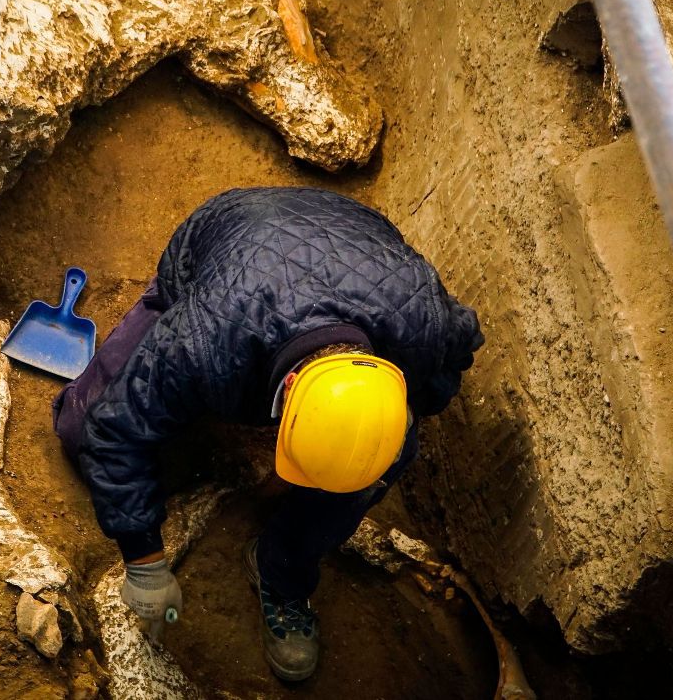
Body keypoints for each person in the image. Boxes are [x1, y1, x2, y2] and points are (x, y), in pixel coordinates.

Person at [51, 187, 483, 682]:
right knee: (81, 428)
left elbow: (461, 343)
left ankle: (281, 573)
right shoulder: (204, 338)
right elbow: (115, 433)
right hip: (227, 236)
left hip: (354, 232)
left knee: (382, 459)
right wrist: (145, 562)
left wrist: (411, 409)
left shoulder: (424, 324)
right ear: (289, 387)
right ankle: (160, 304)